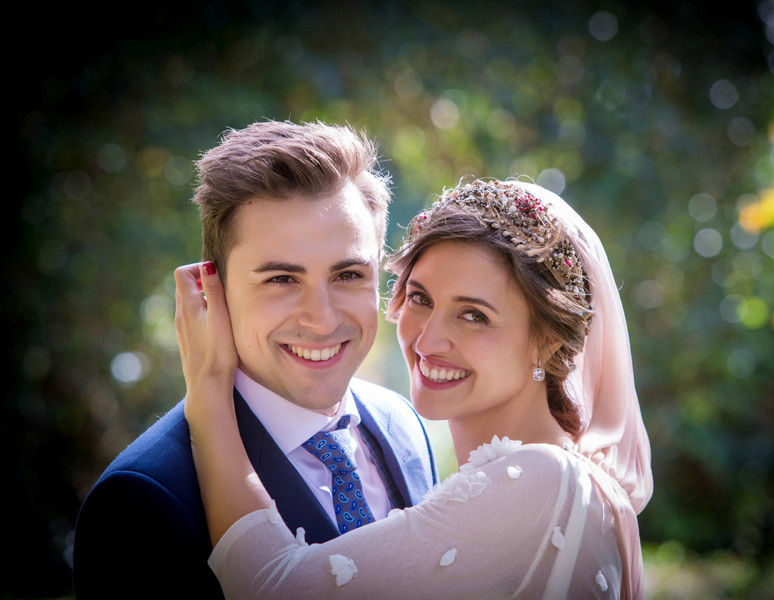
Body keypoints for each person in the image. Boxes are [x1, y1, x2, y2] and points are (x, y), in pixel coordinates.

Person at [177, 178, 653, 598]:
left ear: (547, 343)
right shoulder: (525, 475)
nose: (427, 340)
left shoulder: (542, 483)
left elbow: (273, 588)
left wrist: (208, 395)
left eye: (474, 315)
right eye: (421, 299)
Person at [73, 121, 439, 598]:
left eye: (347, 274)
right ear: (212, 290)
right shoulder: (141, 501)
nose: (323, 320)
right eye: (282, 280)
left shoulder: (402, 422)